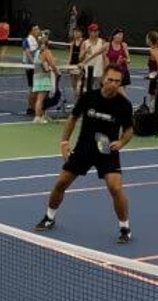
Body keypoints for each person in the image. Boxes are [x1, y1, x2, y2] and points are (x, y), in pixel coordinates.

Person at [35, 65, 135, 243]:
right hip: (84, 149)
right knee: (61, 183)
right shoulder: (89, 97)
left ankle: (125, 228)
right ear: (103, 78)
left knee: (116, 188)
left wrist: (120, 142)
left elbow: (128, 131)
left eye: (117, 81)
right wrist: (64, 142)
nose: (113, 84)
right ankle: (49, 217)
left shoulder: (124, 104)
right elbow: (73, 118)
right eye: (110, 80)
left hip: (106, 151)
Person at [30, 29, 60, 124]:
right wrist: (57, 72)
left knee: (41, 98)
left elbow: (45, 62)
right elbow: (52, 64)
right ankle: (38, 117)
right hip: (43, 78)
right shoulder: (46, 52)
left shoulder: (37, 53)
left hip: (37, 77)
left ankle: (42, 115)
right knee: (40, 99)